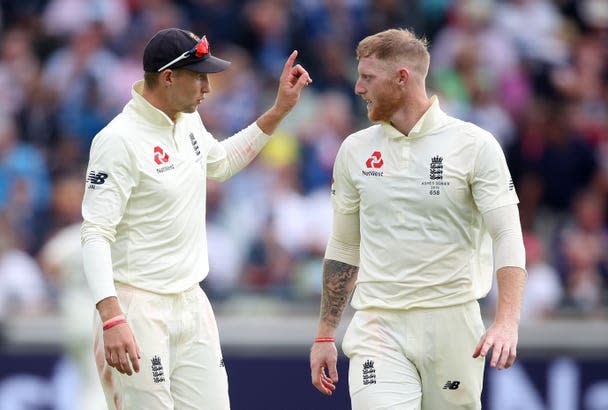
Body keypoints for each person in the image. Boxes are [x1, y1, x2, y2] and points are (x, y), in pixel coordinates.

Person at [81, 28, 311, 409]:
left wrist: (279, 110)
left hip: (191, 303)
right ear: (168, 77)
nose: (207, 87)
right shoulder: (118, 140)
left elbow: (219, 163)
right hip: (137, 307)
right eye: (199, 76)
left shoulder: (186, 120)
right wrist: (111, 317)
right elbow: (95, 232)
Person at [309, 28, 526, 409]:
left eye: (368, 78)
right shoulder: (354, 150)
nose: (358, 88)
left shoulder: (475, 145)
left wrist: (507, 321)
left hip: (453, 323)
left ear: (402, 78)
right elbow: (344, 246)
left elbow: (507, 233)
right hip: (378, 324)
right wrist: (326, 334)